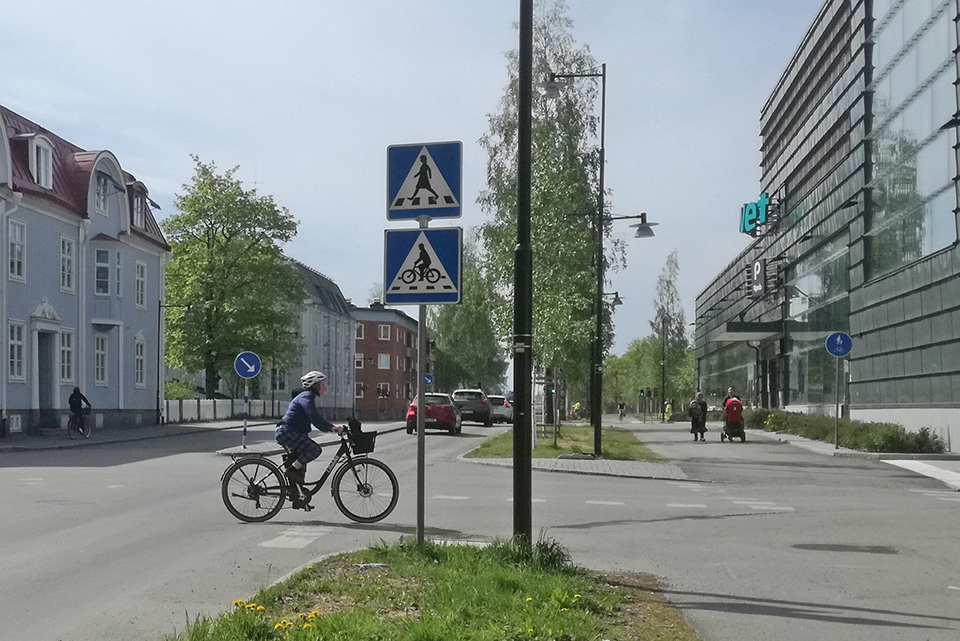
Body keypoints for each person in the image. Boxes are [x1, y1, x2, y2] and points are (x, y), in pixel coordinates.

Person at [274, 371, 342, 497]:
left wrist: (330, 428)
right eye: (322, 385)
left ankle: (297, 496)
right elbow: (314, 417)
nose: (324, 387)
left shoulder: (307, 397)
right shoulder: (306, 397)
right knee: (314, 450)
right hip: (286, 431)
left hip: (290, 431)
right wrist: (331, 428)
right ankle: (291, 470)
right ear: (315, 385)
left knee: (301, 465)